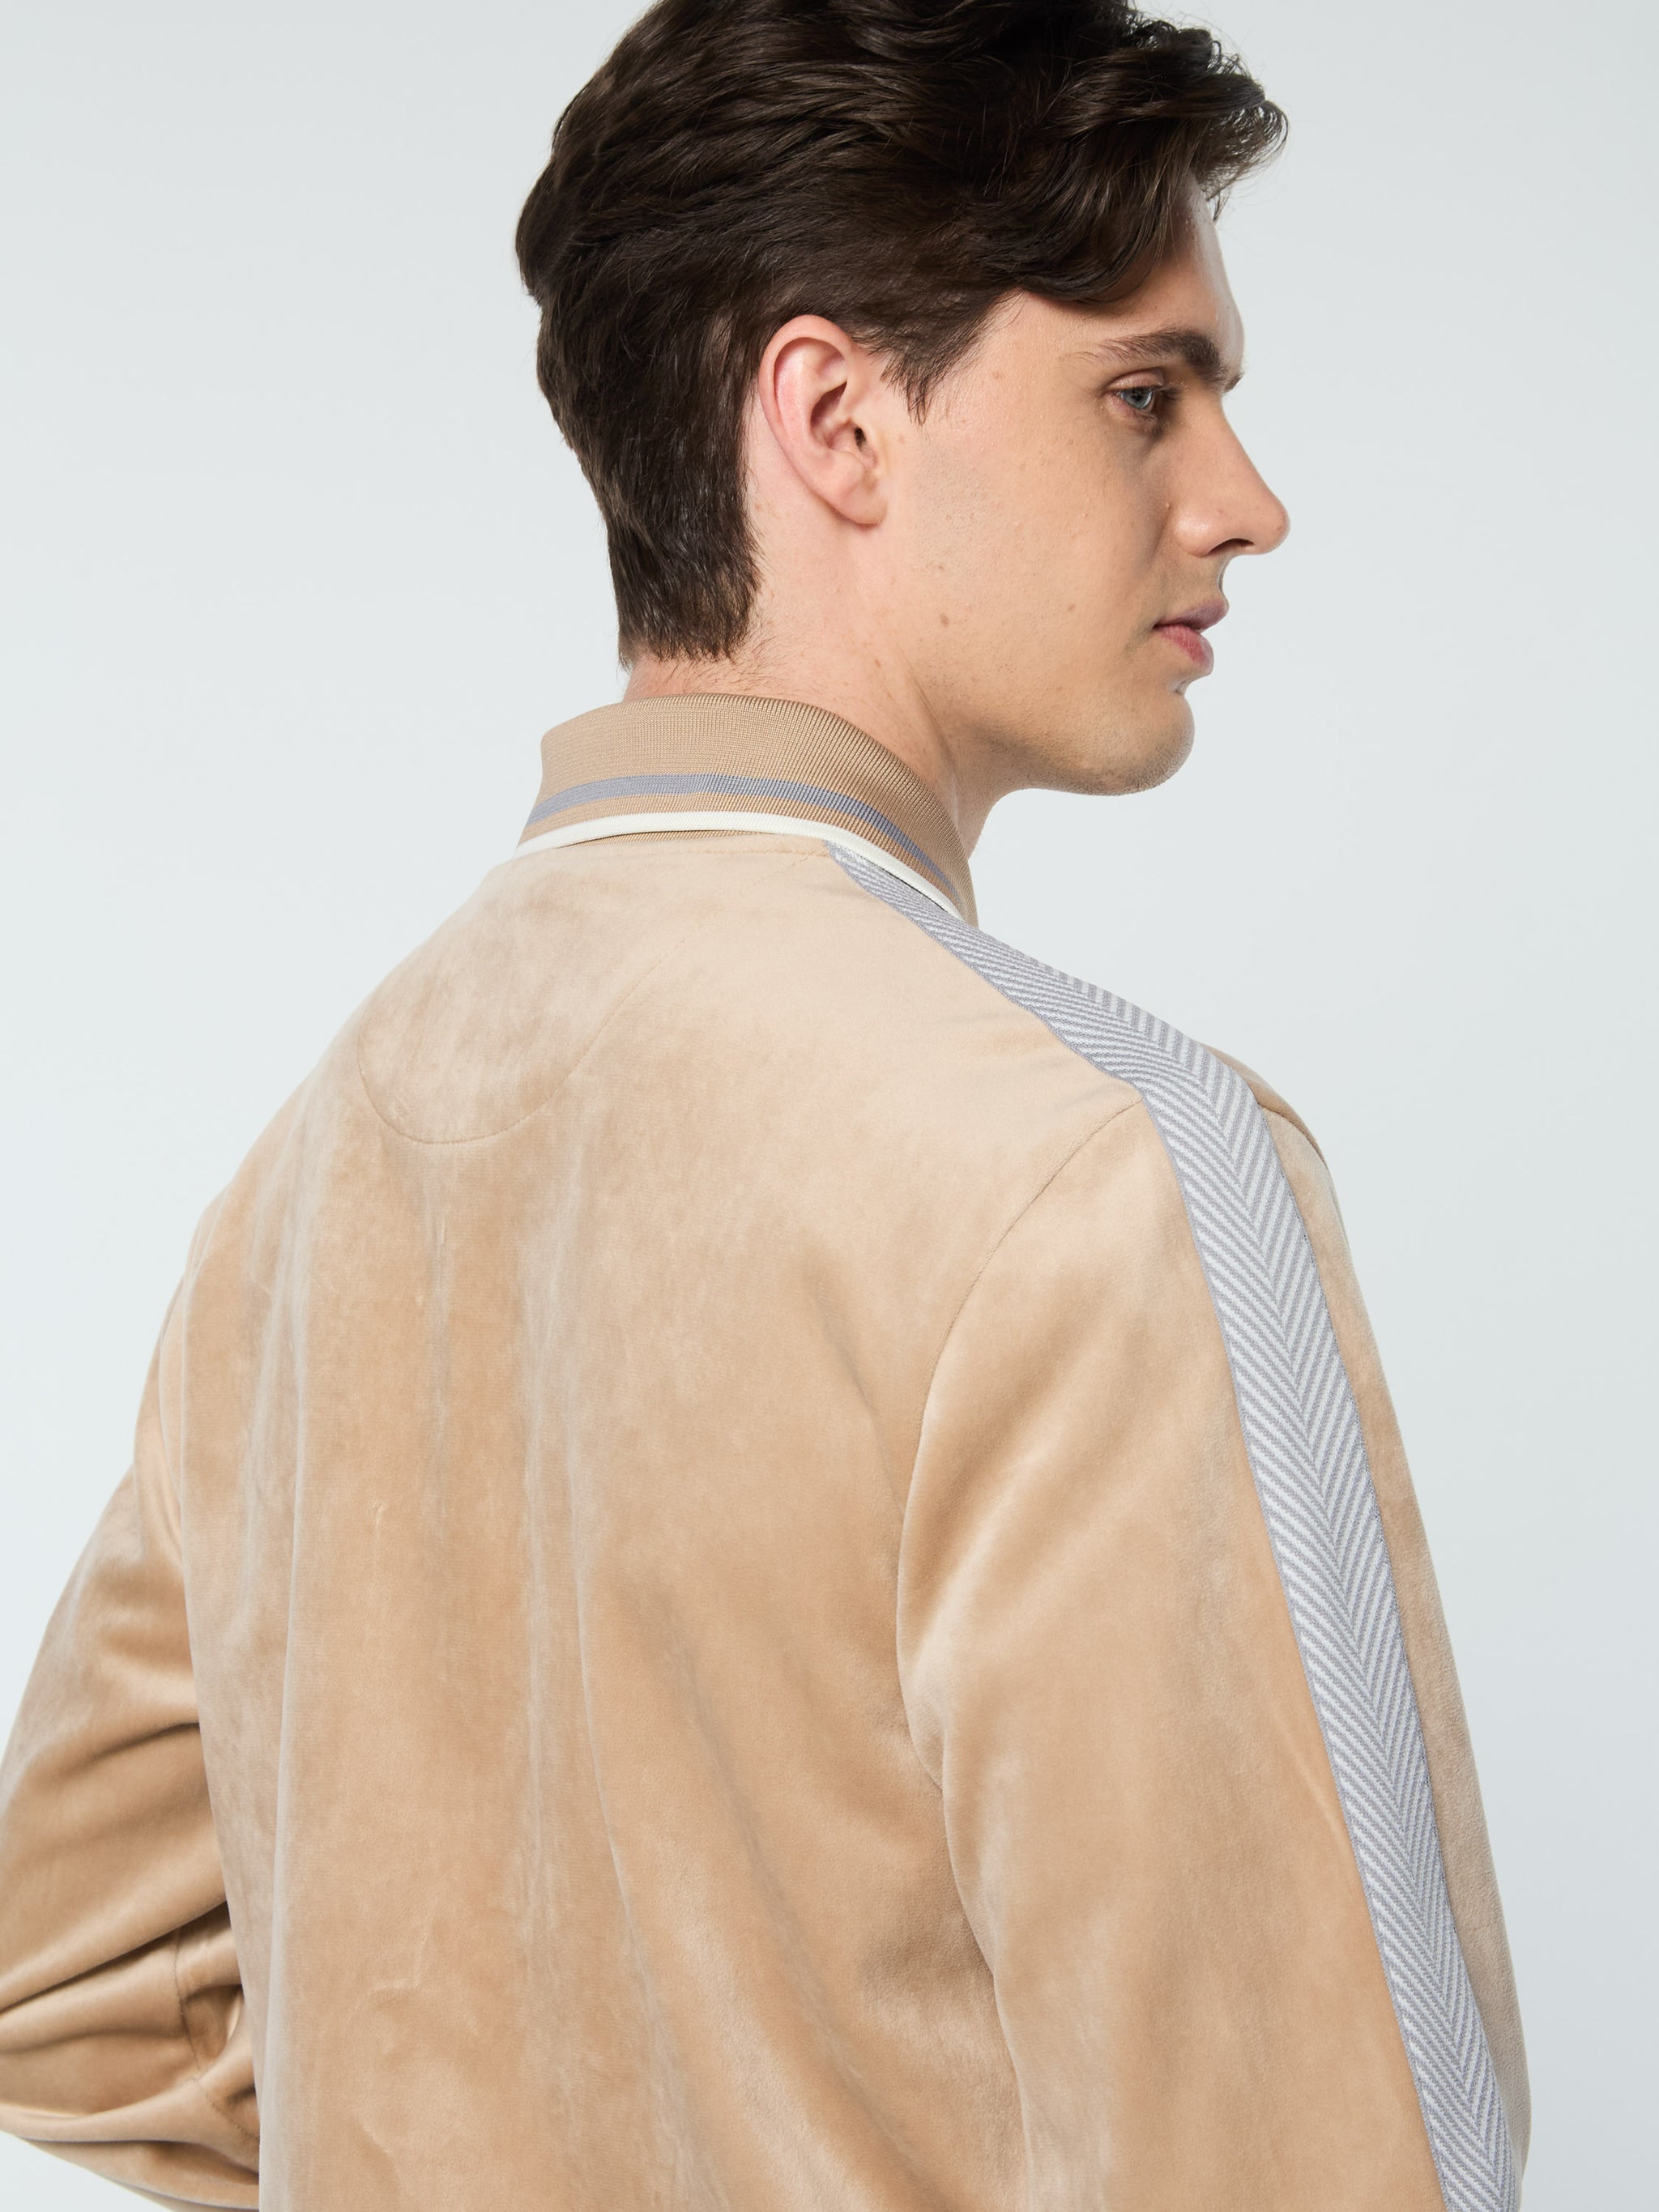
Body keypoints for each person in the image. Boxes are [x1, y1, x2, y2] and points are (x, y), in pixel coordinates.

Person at [0, 1, 1529, 2206]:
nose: (1245, 500)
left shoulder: (323, 1167)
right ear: (834, 419)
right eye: (1146, 392)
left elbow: (67, 1975)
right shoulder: (1100, 1166)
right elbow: (1323, 2171)